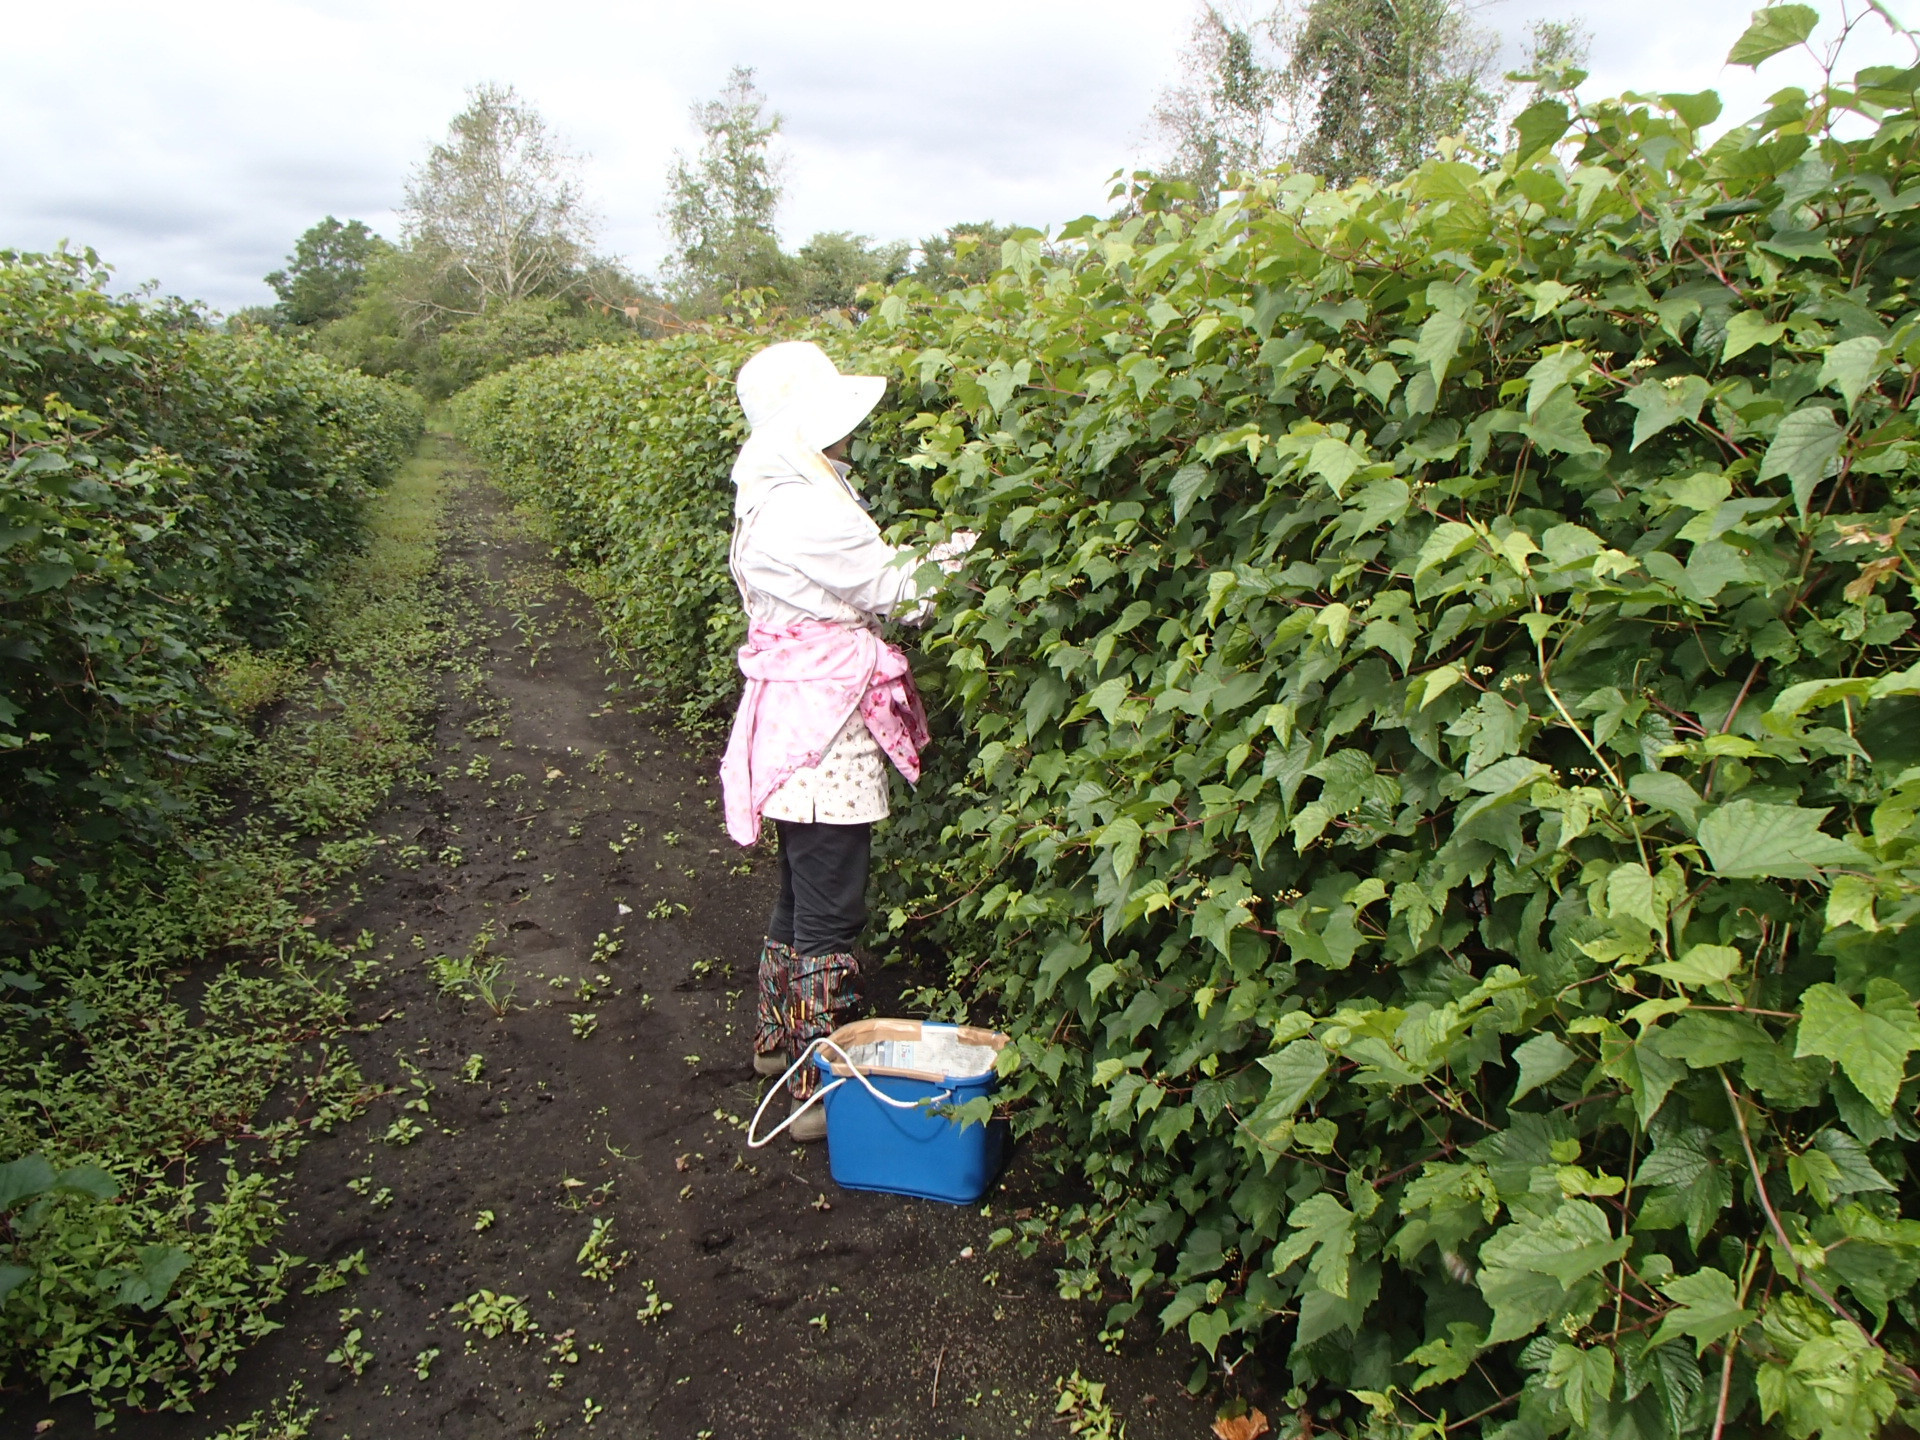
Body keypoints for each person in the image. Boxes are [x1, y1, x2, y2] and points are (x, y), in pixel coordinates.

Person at [719, 341, 975, 1142]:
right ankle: (816, 1092)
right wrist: (976, 549)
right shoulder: (804, 507)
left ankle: (776, 1045)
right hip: (823, 730)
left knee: (801, 896)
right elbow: (897, 589)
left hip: (795, 722)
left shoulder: (774, 494)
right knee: (833, 908)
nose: (848, 437)